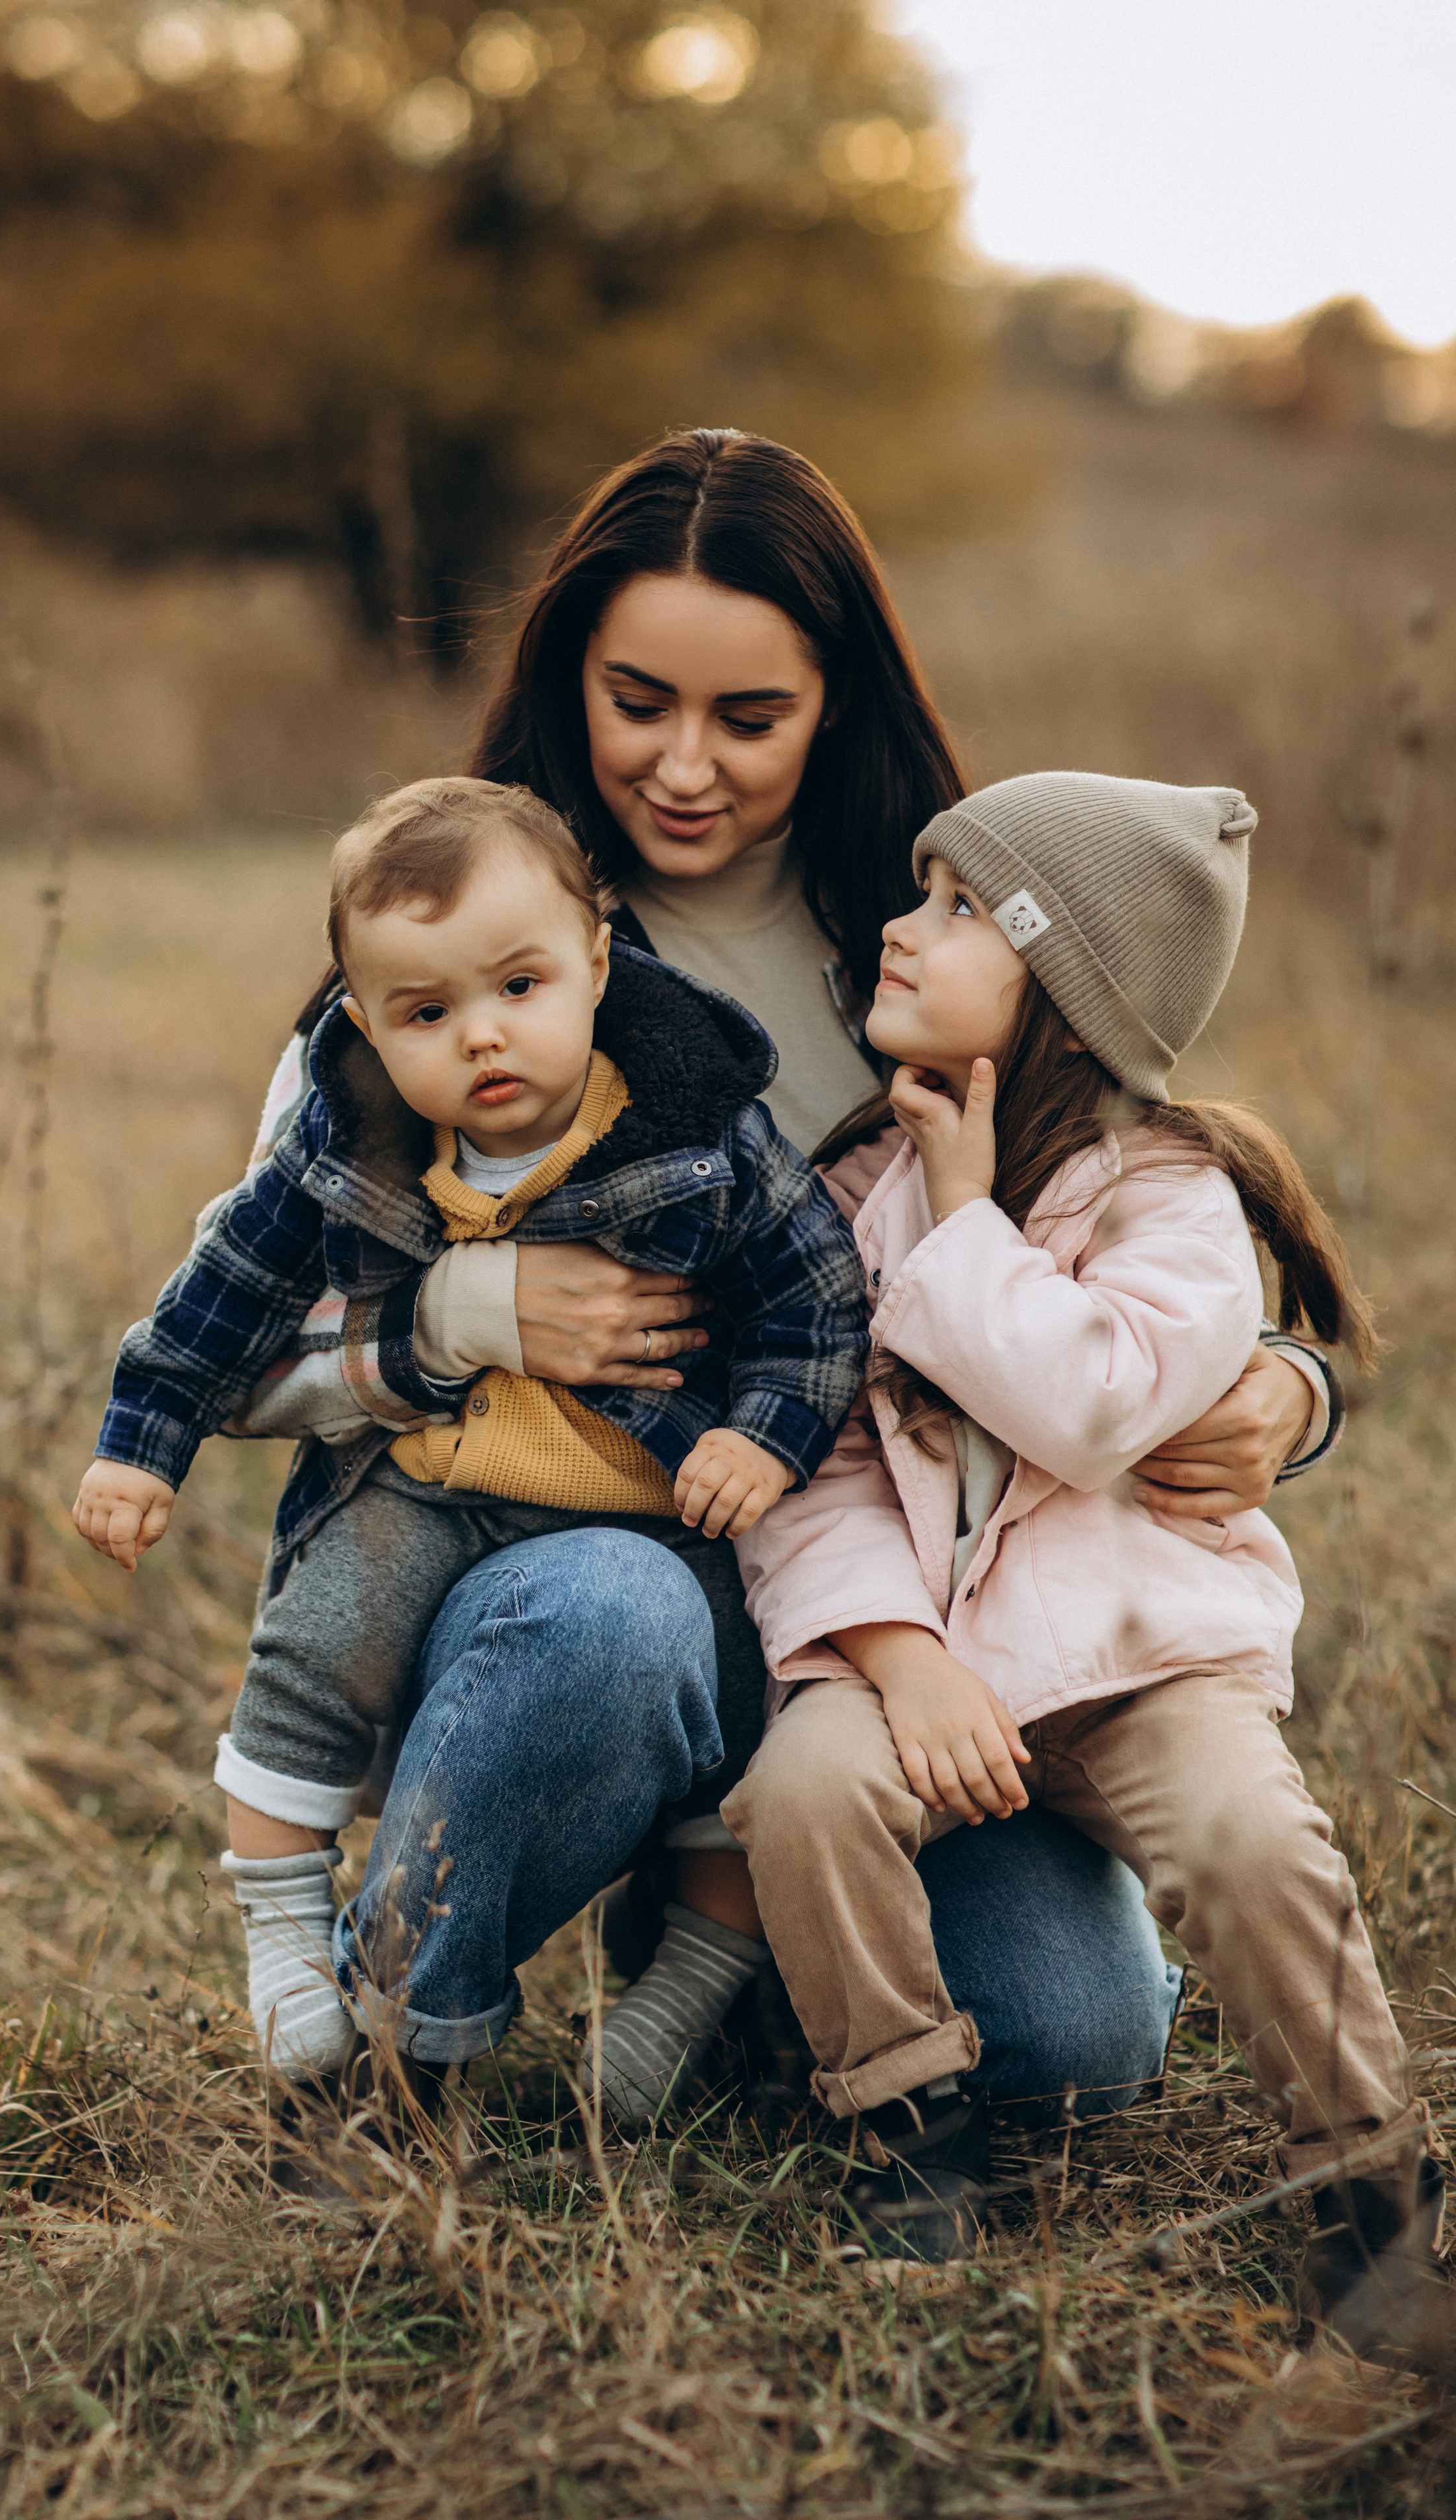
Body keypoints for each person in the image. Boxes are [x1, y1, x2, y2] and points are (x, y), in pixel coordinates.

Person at [201, 430, 1340, 2122]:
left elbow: (1136, 1207)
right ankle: (390, 2032)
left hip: (891, 1640)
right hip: (571, 1591)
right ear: (566, 678)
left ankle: (732, 1962)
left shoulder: (937, 936)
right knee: (614, 1612)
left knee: (1075, 2046)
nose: (681, 765)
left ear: (839, 703)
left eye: (750, 718)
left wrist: (1281, 1399)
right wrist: (458, 1316)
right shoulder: (456, 955)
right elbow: (225, 1351)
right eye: (635, 699)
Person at [724, 772, 1442, 2334]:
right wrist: (895, 1660)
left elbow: (1095, 1405)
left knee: (1252, 1840)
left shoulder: (1170, 1196)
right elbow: (818, 1468)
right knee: (804, 1789)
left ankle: (1368, 2190)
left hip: (1136, 1659)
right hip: (926, 1664)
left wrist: (968, 1220)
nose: (902, 933)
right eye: (917, 896)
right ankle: (906, 2123)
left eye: (959, 909)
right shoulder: (857, 1188)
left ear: (1061, 988)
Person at [72, 775, 868, 2083]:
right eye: (427, 1014)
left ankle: (684, 1992)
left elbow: (818, 1294)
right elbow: (224, 1297)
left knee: (749, 1713)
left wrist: (764, 1439)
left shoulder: (695, 1125)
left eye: (520, 989)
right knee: (311, 1649)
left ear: (596, 962)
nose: (482, 1039)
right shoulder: (346, 1136)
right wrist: (138, 1441)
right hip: (423, 1481)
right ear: (363, 1023)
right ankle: (284, 1932)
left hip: (657, 1503)